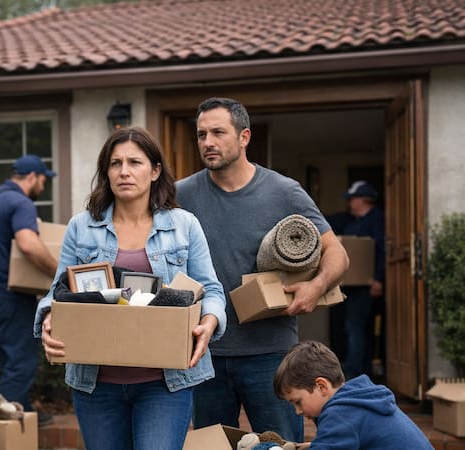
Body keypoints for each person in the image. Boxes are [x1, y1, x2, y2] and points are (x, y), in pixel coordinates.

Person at [35, 126, 227, 450]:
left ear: (155, 171)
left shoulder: (184, 226)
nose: (124, 171)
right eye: (115, 163)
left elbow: (211, 290)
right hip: (96, 384)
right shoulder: (81, 227)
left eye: (135, 162)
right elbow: (58, 292)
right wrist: (49, 318)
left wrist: (209, 322)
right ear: (106, 172)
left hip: (165, 383)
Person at [175, 97, 349, 442]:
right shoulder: (182, 194)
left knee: (279, 446)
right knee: (213, 447)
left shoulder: (284, 192)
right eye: (201, 134)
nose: (208, 142)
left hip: (271, 353)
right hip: (205, 351)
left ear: (244, 137)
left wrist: (315, 288)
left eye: (218, 132)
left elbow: (337, 253)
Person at [0, 154, 58, 417]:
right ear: (32, 177)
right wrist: (58, 272)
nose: (43, 186)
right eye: (43, 180)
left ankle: (23, 411)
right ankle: (4, 425)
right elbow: (28, 244)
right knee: (21, 362)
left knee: (9, 359)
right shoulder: (21, 202)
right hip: (11, 294)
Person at [273, 340, 433, 449]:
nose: (297, 411)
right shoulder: (356, 400)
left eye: (298, 402)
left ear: (321, 386)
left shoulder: (340, 413)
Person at [335, 181, 386, 379]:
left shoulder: (377, 220)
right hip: (354, 286)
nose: (349, 203)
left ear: (364, 199)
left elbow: (382, 251)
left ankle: (353, 372)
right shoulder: (354, 222)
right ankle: (363, 372)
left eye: (352, 198)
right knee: (357, 328)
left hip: (367, 286)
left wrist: (379, 279)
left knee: (356, 328)